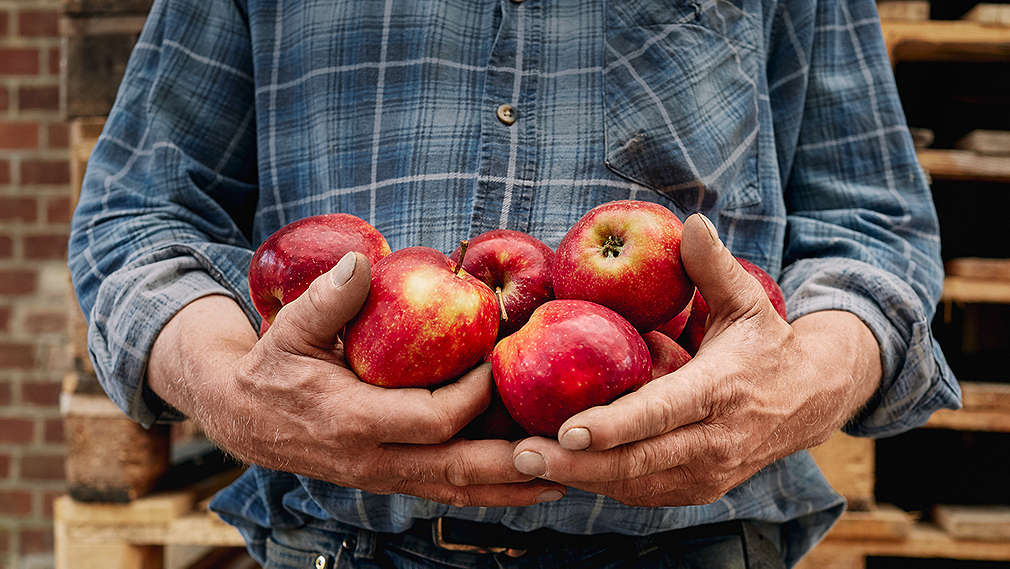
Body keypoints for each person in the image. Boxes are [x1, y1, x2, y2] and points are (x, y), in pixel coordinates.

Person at [68, 0, 961, 567]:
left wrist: (799, 383)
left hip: (695, 546)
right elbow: (138, 218)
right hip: (340, 546)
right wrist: (231, 387)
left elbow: (872, 230)